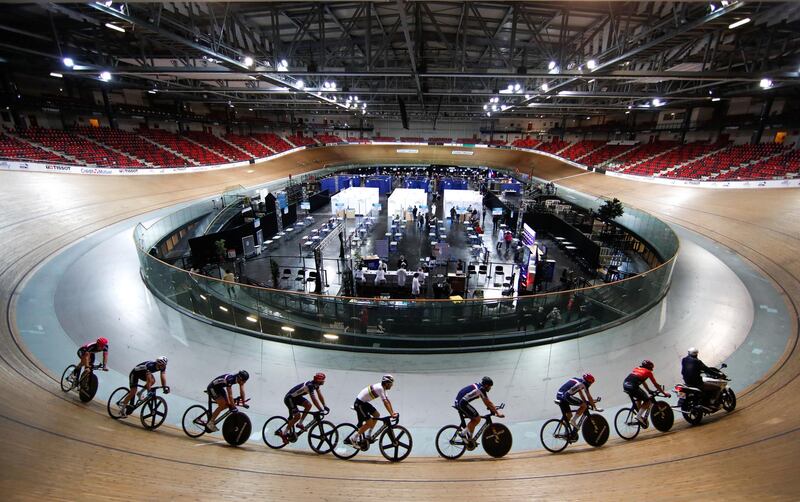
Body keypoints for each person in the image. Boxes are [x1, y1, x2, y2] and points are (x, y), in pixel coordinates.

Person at [348, 375, 397, 448]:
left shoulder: (383, 388)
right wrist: (391, 414)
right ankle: (353, 438)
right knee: (369, 423)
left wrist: (392, 413)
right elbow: (385, 402)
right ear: (387, 383)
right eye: (391, 384)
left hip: (363, 403)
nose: (391, 385)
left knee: (376, 415)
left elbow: (388, 401)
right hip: (359, 404)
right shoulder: (380, 388)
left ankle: (368, 435)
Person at [279, 373, 328, 444]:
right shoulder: (310, 386)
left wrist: (324, 405)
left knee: (308, 405)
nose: (324, 381)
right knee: (297, 416)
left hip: (296, 397)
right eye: (323, 380)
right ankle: (284, 433)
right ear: (319, 380)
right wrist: (321, 409)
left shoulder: (316, 385)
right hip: (289, 399)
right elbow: (314, 399)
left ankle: (300, 424)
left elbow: (320, 395)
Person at [454, 376, 504, 442]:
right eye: (490, 386)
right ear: (486, 385)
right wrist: (498, 413)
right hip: (462, 403)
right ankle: (463, 434)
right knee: (477, 419)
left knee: (474, 419)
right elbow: (488, 402)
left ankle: (470, 440)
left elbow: (485, 401)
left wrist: (491, 407)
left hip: (459, 402)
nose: (490, 388)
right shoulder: (481, 389)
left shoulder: (478, 387)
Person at [623, 360, 670, 428]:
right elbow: (656, 384)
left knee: (639, 399)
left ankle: (640, 417)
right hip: (633, 386)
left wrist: (648, 390)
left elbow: (643, 381)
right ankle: (638, 416)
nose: (652, 370)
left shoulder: (637, 368)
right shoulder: (648, 372)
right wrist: (664, 393)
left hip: (625, 385)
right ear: (649, 367)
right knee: (647, 401)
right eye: (651, 368)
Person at [555, 374, 598, 439]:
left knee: (569, 415)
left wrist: (585, 402)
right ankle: (573, 421)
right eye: (591, 383)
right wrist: (595, 407)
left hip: (560, 395)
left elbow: (581, 394)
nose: (591, 385)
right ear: (588, 382)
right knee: (584, 406)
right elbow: (589, 396)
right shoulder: (584, 384)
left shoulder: (578, 381)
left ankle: (566, 432)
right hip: (565, 396)